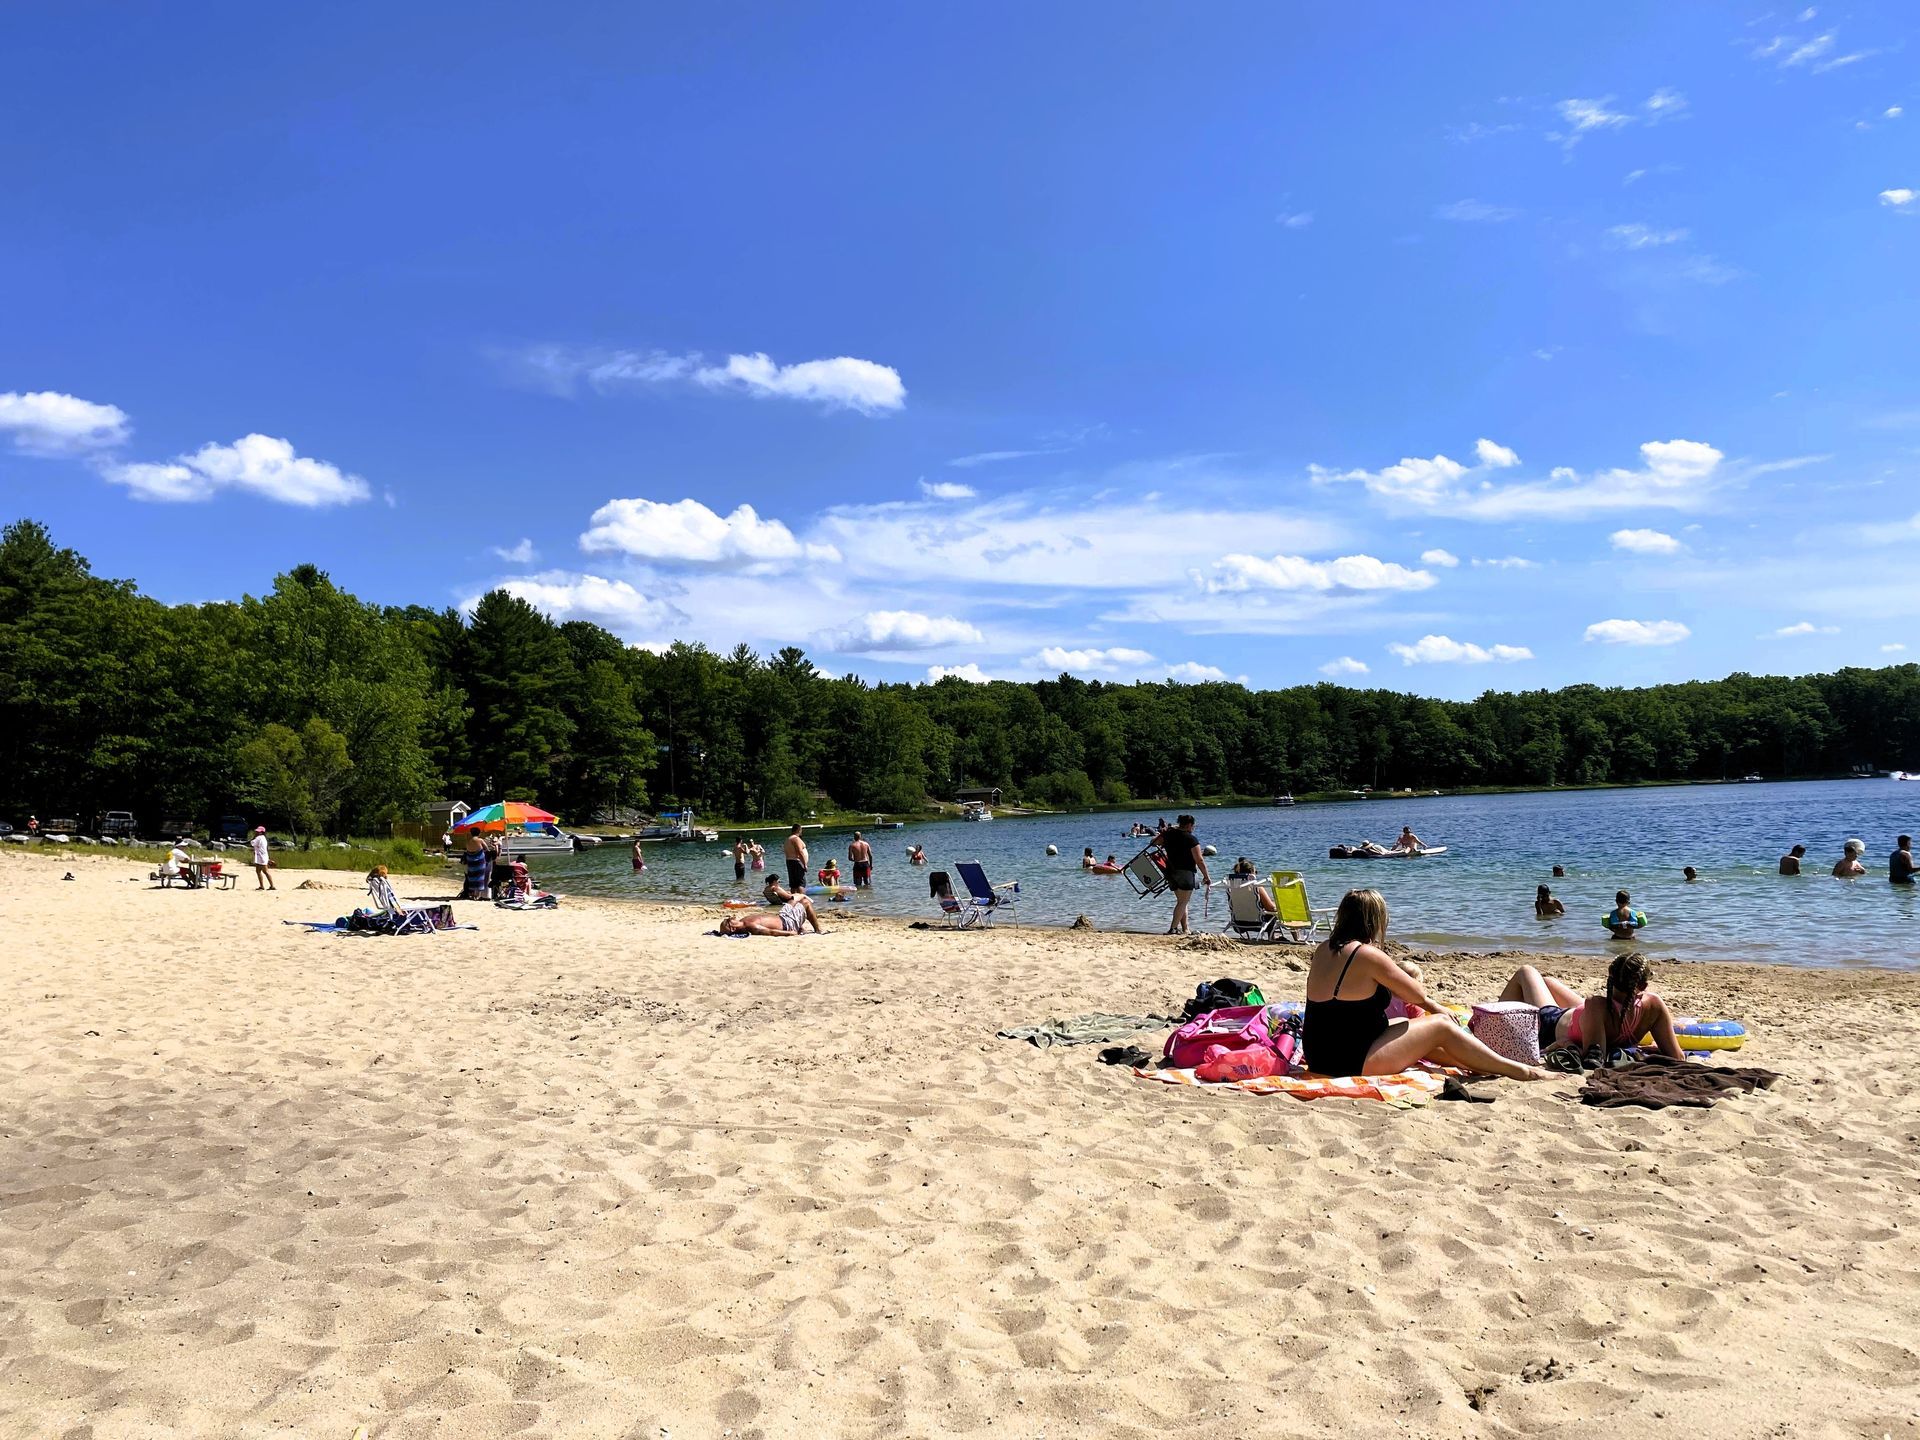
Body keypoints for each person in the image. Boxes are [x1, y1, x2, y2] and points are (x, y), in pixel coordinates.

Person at [1303, 888, 1548, 1081]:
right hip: (1351, 1063)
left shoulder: (1324, 949)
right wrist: (1436, 1007)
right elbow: (1416, 993)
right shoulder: (1367, 954)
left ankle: (1477, 1063)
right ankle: (1518, 1070)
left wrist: (1431, 1004)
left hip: (1320, 1056)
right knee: (1439, 1025)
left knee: (1405, 1025)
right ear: (1373, 921)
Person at [1500, 955, 1683, 1063]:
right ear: (1642, 986)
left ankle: (1492, 1017)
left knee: (1526, 971)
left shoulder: (1597, 1005)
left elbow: (1595, 1058)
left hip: (1553, 1022)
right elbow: (1677, 1057)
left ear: (1610, 978)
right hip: (1580, 1016)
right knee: (1546, 983)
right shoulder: (1655, 1005)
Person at [1157, 814, 1211, 935]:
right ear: (1189, 825)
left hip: (1171, 872)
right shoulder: (1191, 839)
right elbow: (1199, 860)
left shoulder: (1168, 834)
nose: (1193, 828)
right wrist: (1206, 876)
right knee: (1183, 902)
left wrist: (1168, 830)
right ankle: (1173, 928)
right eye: (1193, 826)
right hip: (1186, 872)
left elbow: (1154, 842)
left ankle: (1185, 929)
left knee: (1182, 901)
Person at [720, 892, 823, 935]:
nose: (731, 918)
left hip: (782, 916)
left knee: (793, 901)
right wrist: (789, 933)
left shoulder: (743, 921)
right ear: (732, 928)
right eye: (729, 920)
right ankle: (818, 930)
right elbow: (770, 932)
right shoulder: (751, 926)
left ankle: (801, 926)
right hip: (787, 923)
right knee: (805, 903)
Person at [784, 824, 809, 893]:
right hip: (797, 861)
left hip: (789, 861)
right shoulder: (795, 839)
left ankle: (794, 899)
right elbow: (800, 851)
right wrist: (804, 864)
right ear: (799, 830)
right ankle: (801, 900)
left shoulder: (788, 839)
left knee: (793, 884)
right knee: (800, 883)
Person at [250, 825, 275, 891]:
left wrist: (254, 837)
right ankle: (262, 886)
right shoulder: (263, 838)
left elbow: (252, 843)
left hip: (261, 857)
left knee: (265, 871)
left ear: (261, 832)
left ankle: (271, 886)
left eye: (258, 832)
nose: (257, 833)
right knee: (258, 871)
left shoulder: (259, 838)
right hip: (262, 856)